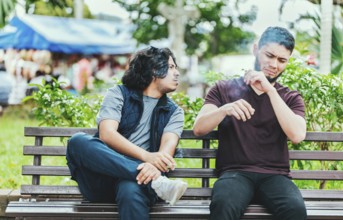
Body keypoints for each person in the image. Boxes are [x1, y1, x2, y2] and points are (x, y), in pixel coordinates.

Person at [193, 26, 307, 220]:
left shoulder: (290, 97)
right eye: (269, 55)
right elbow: (199, 128)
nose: (274, 64)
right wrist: (224, 109)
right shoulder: (223, 89)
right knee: (224, 205)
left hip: (275, 176)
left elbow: (297, 135)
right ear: (255, 49)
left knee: (295, 209)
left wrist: (271, 91)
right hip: (235, 174)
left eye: (282, 60)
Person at [66, 46, 187, 220]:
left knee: (130, 188)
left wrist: (153, 165)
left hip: (140, 182)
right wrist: (146, 157)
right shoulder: (119, 94)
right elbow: (107, 134)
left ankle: (151, 179)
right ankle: (158, 181)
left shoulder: (174, 112)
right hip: (102, 179)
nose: (177, 73)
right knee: (77, 141)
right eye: (171, 67)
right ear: (153, 69)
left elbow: (165, 152)